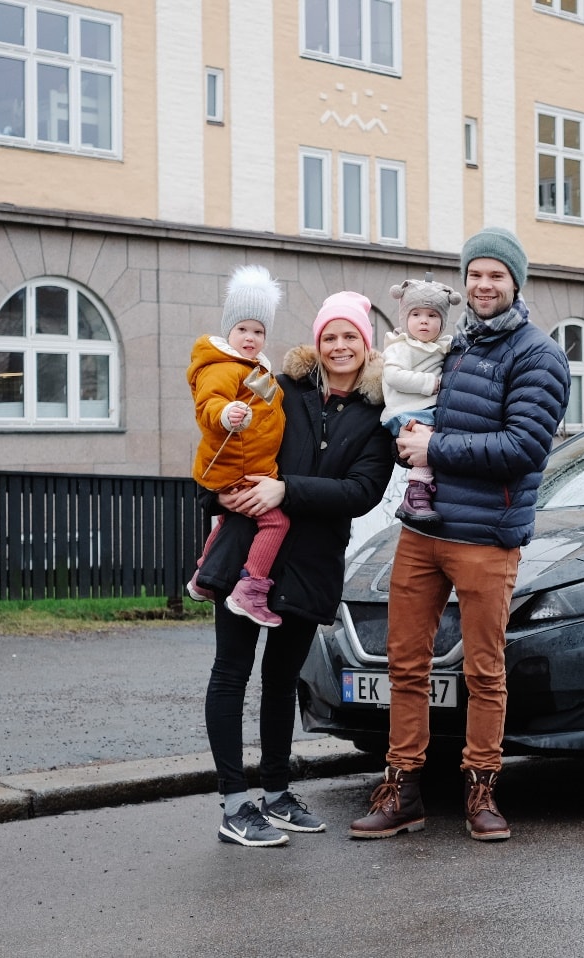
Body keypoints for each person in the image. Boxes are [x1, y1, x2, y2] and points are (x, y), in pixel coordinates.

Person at [350, 227, 570, 842]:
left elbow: (525, 448)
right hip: (423, 529)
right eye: (475, 274)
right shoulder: (454, 346)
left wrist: (434, 447)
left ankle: (482, 790)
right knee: (406, 665)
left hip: (486, 535)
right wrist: (408, 444)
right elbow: (416, 417)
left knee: (483, 671)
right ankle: (403, 789)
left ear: (516, 283)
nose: (483, 284)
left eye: (496, 275)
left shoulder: (537, 355)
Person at [198, 289, 394, 847]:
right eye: (329, 336)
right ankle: (235, 802)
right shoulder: (282, 391)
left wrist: (285, 489)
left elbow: (361, 491)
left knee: (282, 681)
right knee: (231, 671)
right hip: (248, 551)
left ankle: (277, 793)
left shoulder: (376, 416)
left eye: (349, 336)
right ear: (316, 343)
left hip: (310, 561)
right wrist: (219, 498)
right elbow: (226, 438)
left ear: (365, 344)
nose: (338, 346)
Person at [185, 264, 289, 628]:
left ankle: (202, 576)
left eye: (258, 331)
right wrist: (227, 412)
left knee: (231, 516)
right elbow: (208, 403)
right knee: (275, 521)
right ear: (228, 329)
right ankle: (252, 587)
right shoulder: (224, 366)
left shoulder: (257, 368)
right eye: (242, 328)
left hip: (250, 464)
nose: (250, 337)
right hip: (238, 466)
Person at [380, 278, 460, 523]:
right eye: (416, 314)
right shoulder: (401, 347)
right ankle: (416, 493)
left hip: (427, 410)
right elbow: (393, 375)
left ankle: (428, 490)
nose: (424, 320)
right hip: (406, 412)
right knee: (425, 441)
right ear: (405, 319)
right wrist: (429, 384)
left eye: (432, 315)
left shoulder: (442, 347)